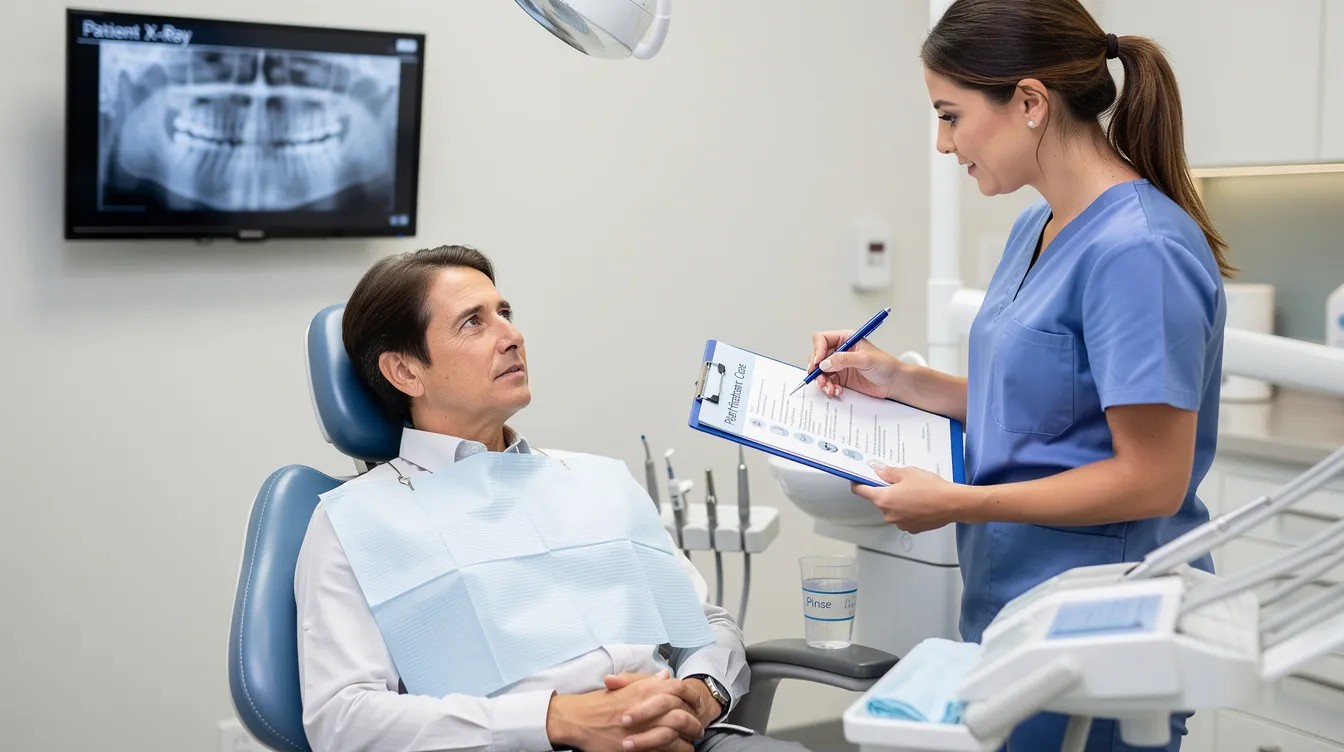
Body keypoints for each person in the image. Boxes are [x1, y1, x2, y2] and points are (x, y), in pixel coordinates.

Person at [805, 1, 1229, 750]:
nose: (942, 144)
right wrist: (898, 378)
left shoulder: (1139, 252)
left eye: (950, 115)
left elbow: (1153, 480)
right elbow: (1045, 407)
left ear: (1029, 102)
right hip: (1020, 617)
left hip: (1103, 631)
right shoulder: (1038, 226)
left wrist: (962, 502)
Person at [295, 245, 810, 752]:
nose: (512, 336)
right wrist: (555, 719)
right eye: (473, 322)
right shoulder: (357, 521)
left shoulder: (594, 480)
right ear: (406, 372)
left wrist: (696, 697)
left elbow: (704, 625)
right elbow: (343, 718)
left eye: (505, 313)